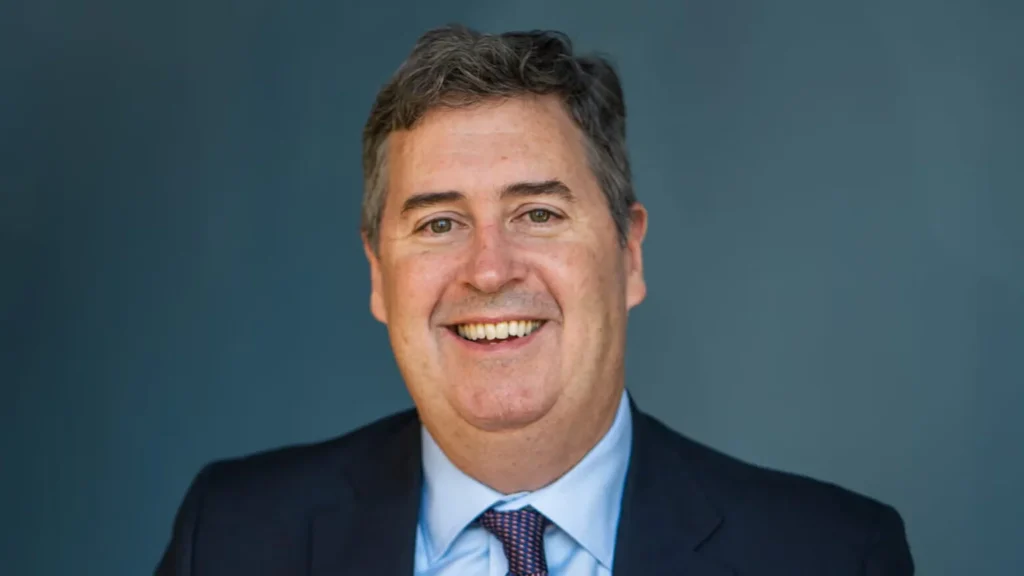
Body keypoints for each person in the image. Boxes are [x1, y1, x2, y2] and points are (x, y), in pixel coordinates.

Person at [155, 25, 914, 575]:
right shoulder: (230, 538)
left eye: (538, 214)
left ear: (629, 254)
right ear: (379, 276)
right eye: (440, 223)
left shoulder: (830, 555)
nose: (489, 271)